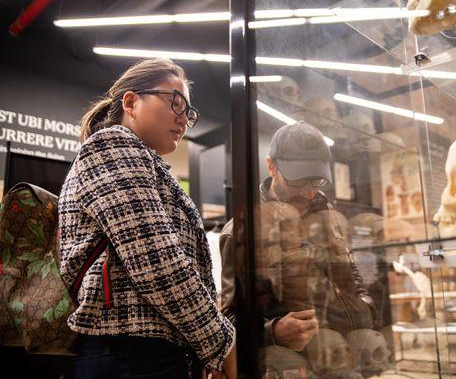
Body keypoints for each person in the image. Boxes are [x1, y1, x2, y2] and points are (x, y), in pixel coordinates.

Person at [58, 58, 235, 379]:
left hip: (141, 352)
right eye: (176, 103)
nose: (184, 120)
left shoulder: (144, 163)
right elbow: (157, 262)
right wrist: (220, 343)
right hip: (129, 351)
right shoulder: (112, 147)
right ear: (131, 102)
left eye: (189, 114)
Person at [220, 122, 374, 355]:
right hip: (297, 364)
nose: (309, 192)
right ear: (271, 167)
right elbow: (228, 320)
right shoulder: (241, 231)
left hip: (351, 357)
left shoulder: (328, 215)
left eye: (317, 181)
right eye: (298, 180)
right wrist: (273, 332)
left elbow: (350, 275)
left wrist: (365, 306)